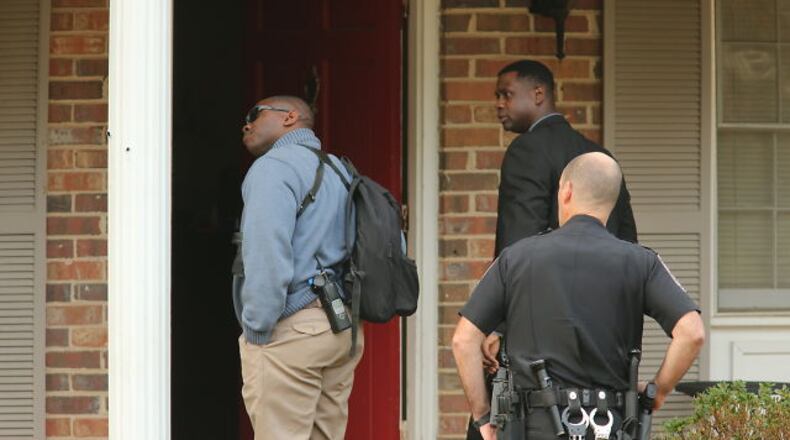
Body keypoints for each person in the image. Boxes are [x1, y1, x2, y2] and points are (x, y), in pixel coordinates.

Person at [452, 152, 705, 440]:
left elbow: (464, 341)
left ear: (567, 191)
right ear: (612, 199)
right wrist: (658, 391)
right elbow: (691, 332)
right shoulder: (642, 262)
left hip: (531, 428)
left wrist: (483, 416)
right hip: (611, 426)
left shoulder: (515, 258)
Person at [466, 59, 639, 439]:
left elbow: (518, 244)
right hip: (602, 333)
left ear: (539, 94)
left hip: (538, 332)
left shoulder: (526, 152)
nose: (498, 104)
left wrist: (497, 324)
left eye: (506, 94)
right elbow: (627, 241)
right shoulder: (599, 158)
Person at [232, 95, 363, 439]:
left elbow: (266, 252)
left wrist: (258, 327)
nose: (246, 124)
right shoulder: (341, 169)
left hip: (292, 330)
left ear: (290, 117)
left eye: (254, 114)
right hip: (341, 327)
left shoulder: (274, 168)